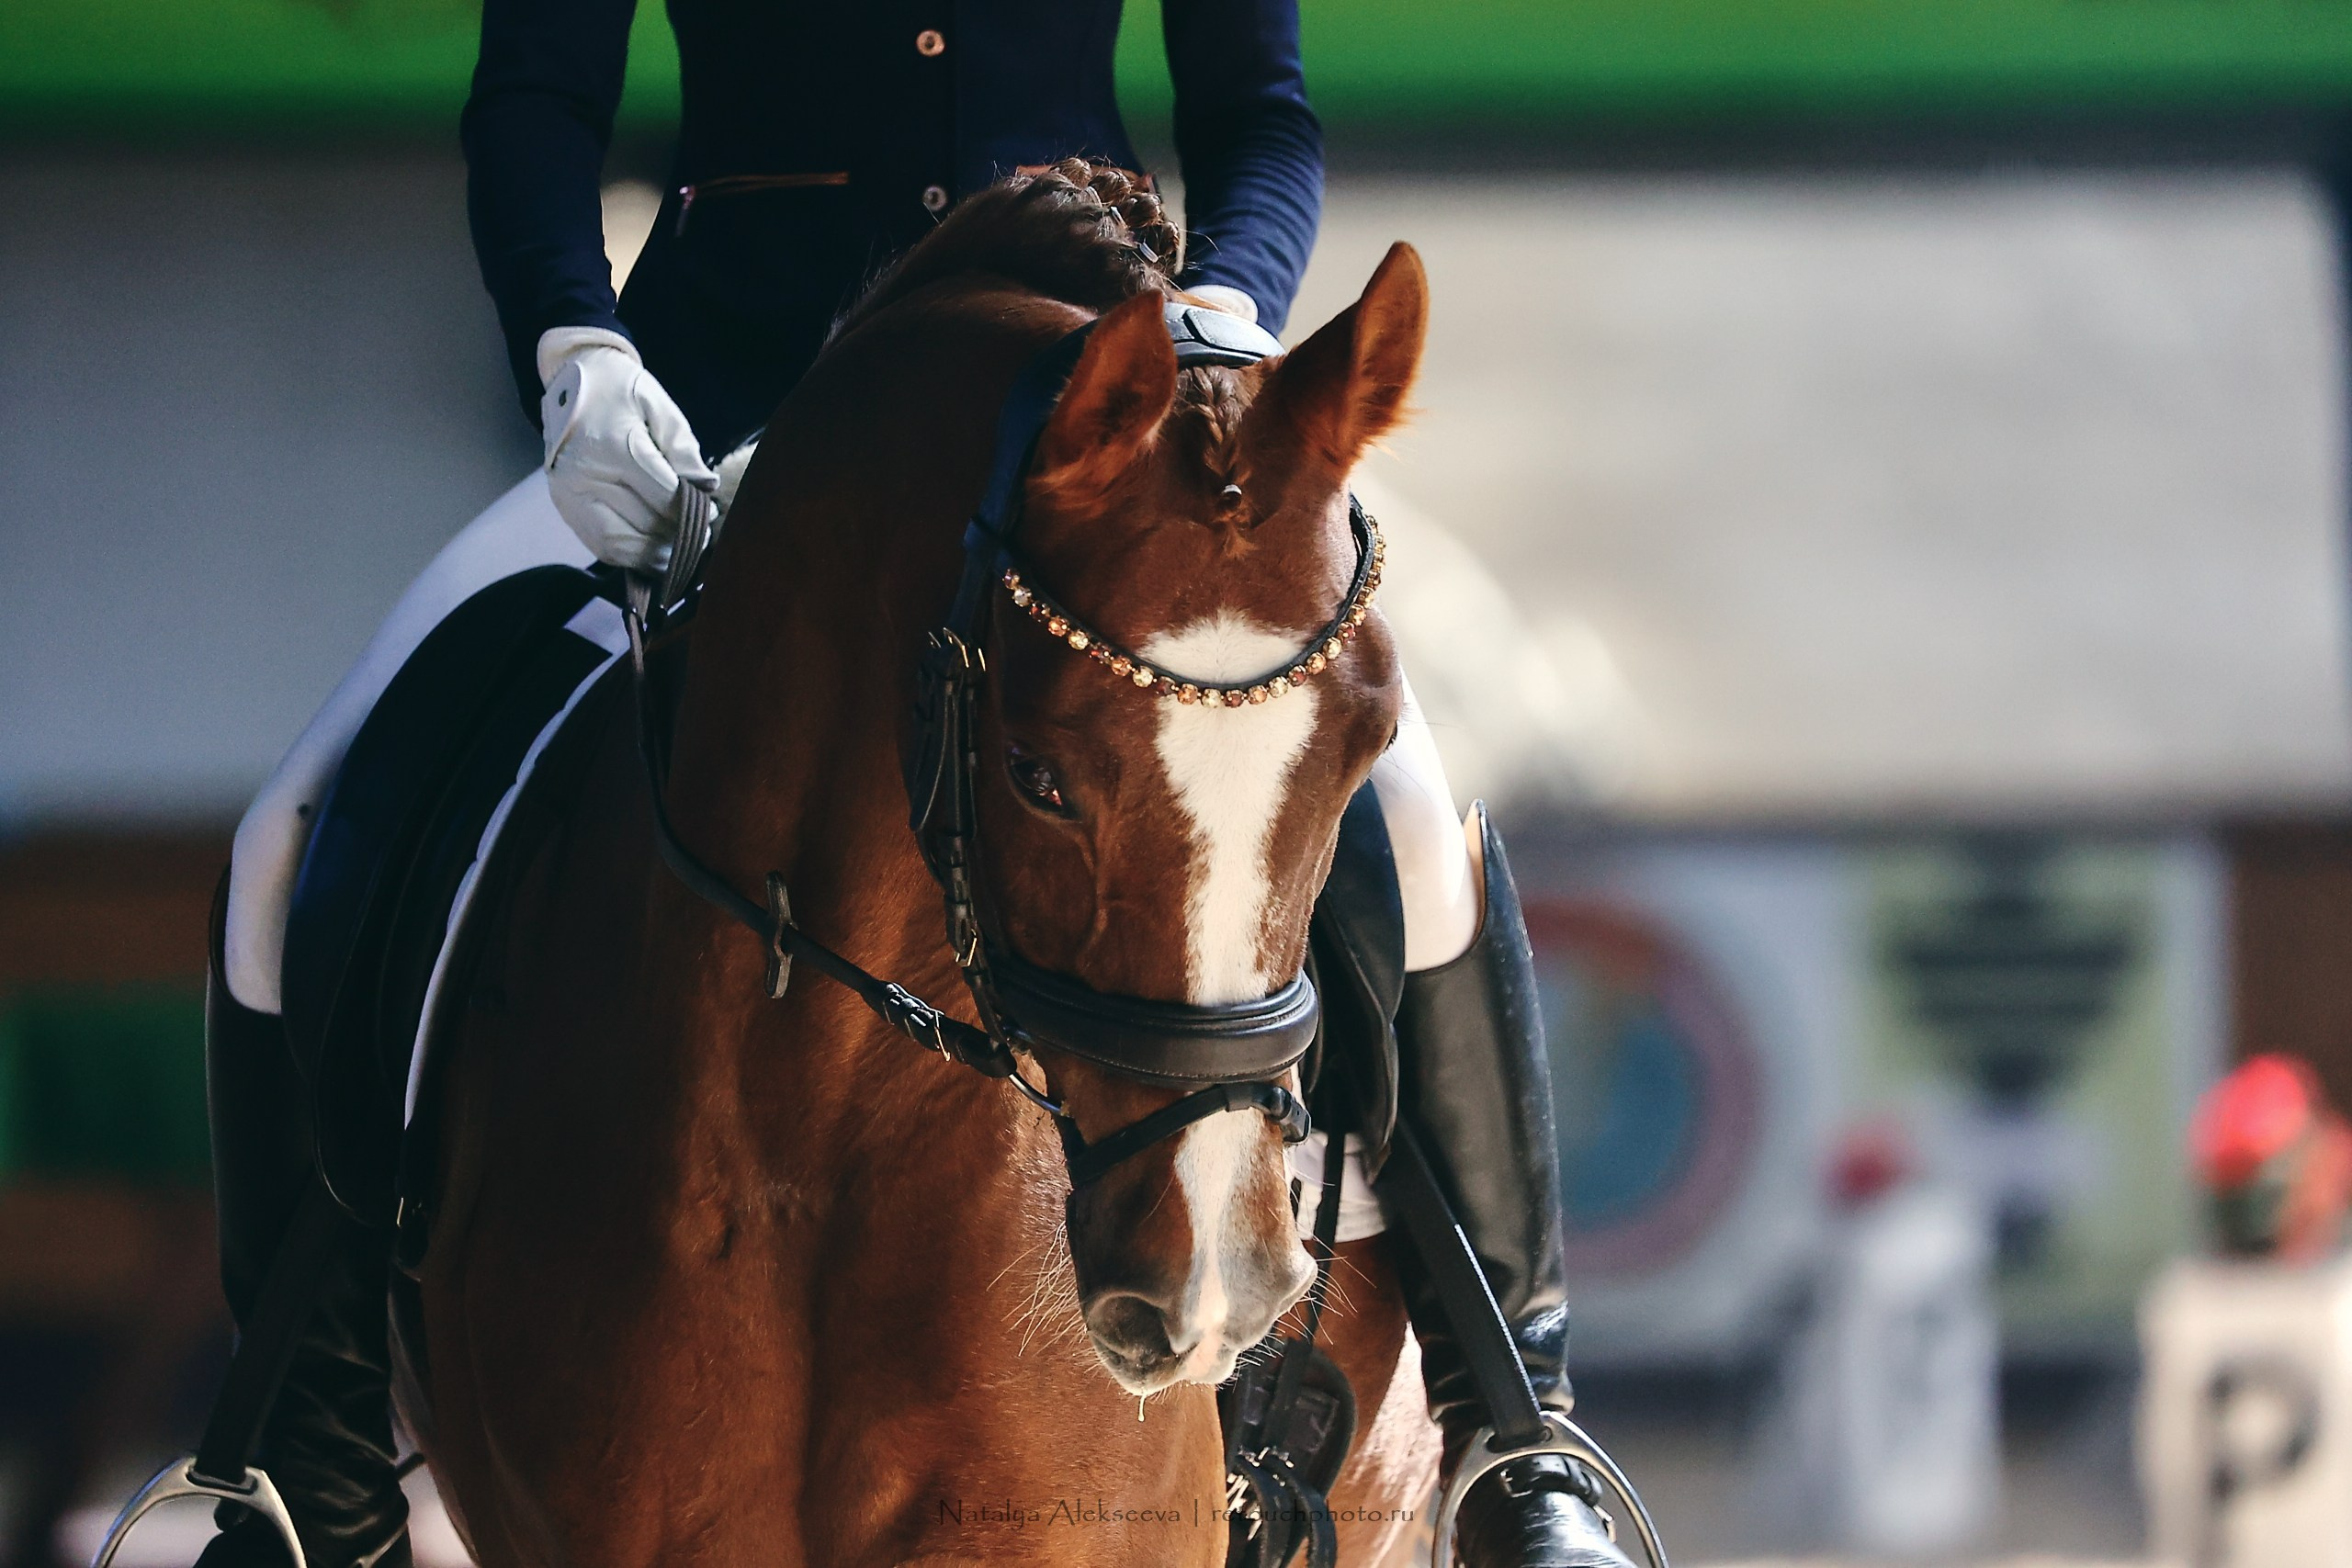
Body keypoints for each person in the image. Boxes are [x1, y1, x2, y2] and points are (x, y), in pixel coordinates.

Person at [194, 5, 1636, 1566]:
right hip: (709, 409)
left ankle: (1519, 1430)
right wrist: (575, 344)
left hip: (1092, 407)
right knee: (295, 829)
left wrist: (1221, 305)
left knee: (1414, 818)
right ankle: (308, 1468)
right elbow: (537, 97)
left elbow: (1262, 111)